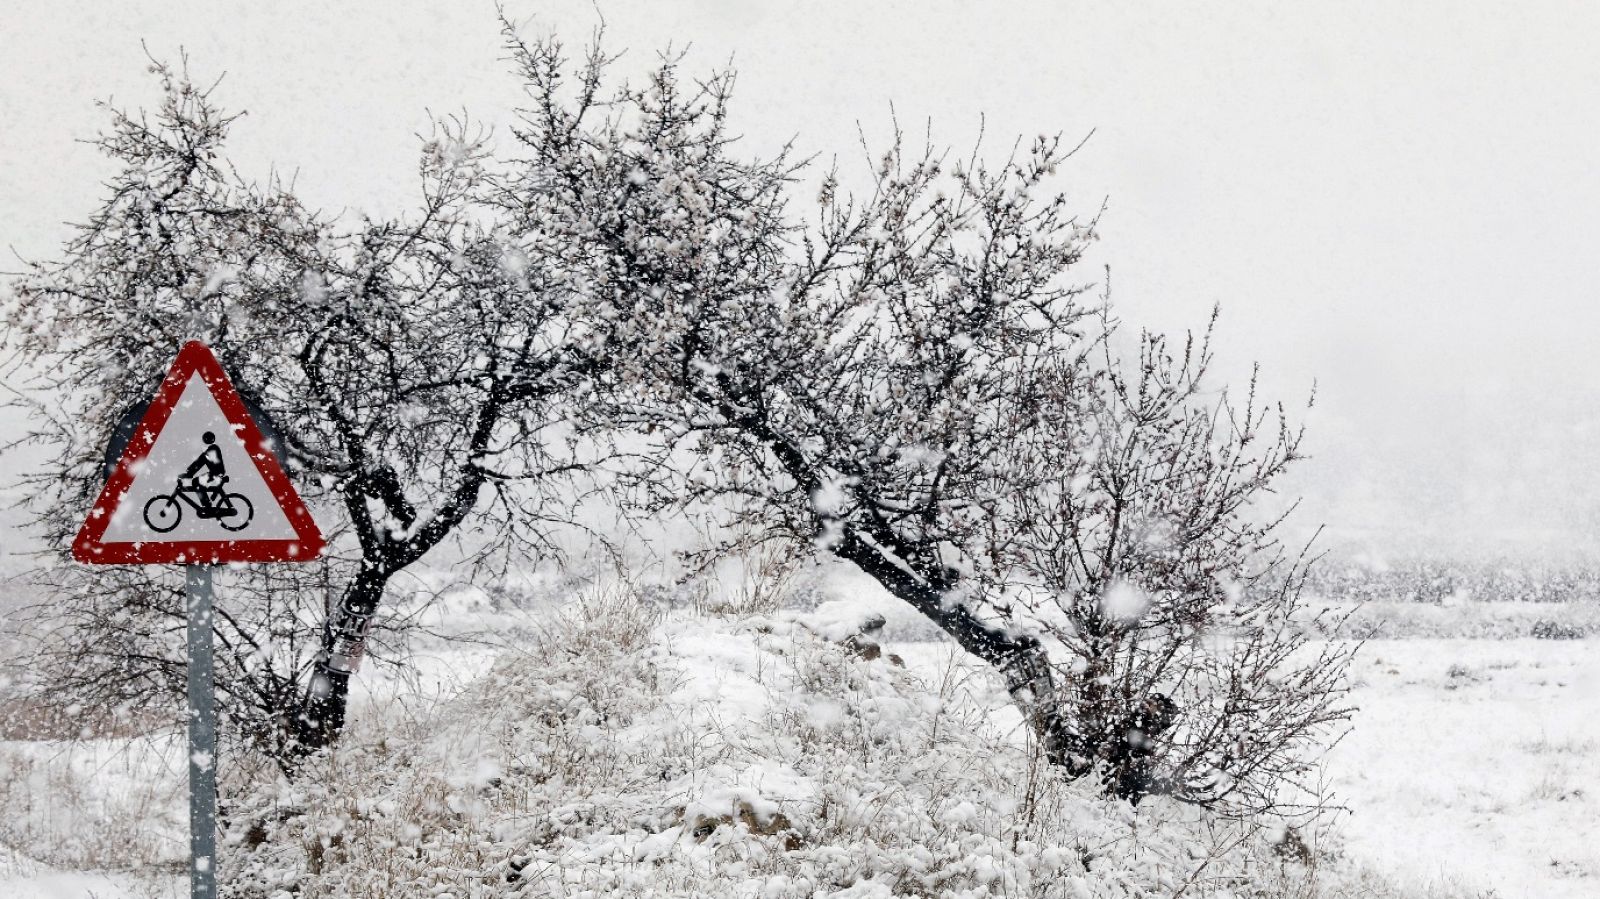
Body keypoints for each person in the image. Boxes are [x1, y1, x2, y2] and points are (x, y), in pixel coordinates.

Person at [183, 431, 228, 512]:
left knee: (196, 482)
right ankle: (207, 504)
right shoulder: (213, 448)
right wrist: (190, 472)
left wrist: (189, 473)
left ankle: (207, 506)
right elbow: (200, 461)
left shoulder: (212, 449)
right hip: (216, 472)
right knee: (199, 484)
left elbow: (200, 461)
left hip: (216, 472)